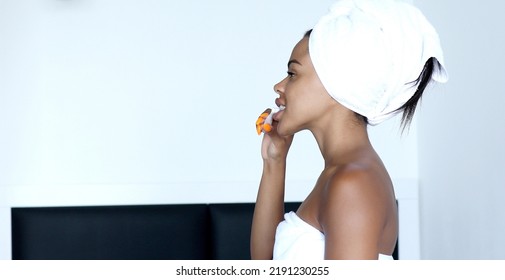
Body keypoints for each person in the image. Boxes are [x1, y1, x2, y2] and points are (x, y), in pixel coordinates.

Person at [251, 0, 448, 260]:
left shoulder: (352, 183)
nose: (279, 86)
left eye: (293, 73)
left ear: (336, 84)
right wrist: (273, 161)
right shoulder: (345, 174)